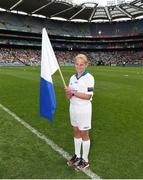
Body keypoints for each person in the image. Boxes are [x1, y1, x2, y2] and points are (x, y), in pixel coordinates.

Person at [65, 54, 95, 170]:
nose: (79, 66)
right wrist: (68, 93)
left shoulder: (89, 78)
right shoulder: (72, 77)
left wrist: (72, 92)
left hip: (84, 109)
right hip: (73, 107)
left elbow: (88, 96)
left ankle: (85, 160)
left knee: (84, 134)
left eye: (81, 64)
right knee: (76, 131)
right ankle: (77, 156)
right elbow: (68, 97)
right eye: (77, 64)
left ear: (86, 65)